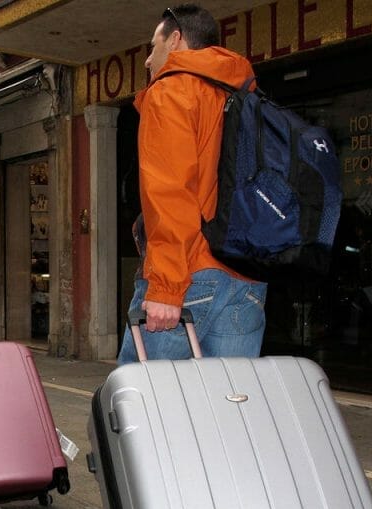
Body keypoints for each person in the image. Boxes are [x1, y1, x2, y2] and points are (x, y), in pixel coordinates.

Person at [117, 4, 267, 364]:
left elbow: (170, 191)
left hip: (189, 275)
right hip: (246, 278)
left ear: (176, 39)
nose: (148, 60)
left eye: (153, 47)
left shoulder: (172, 92)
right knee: (229, 405)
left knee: (140, 407)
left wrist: (166, 288)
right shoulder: (248, 97)